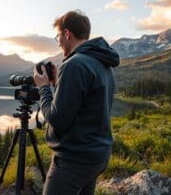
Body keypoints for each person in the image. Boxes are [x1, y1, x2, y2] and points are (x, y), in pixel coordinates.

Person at [33, 10, 120, 195]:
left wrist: (43, 88)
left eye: (57, 36)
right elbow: (85, 104)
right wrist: (58, 84)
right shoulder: (102, 62)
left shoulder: (74, 64)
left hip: (74, 160)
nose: (57, 41)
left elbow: (57, 119)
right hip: (97, 155)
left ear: (67, 34)